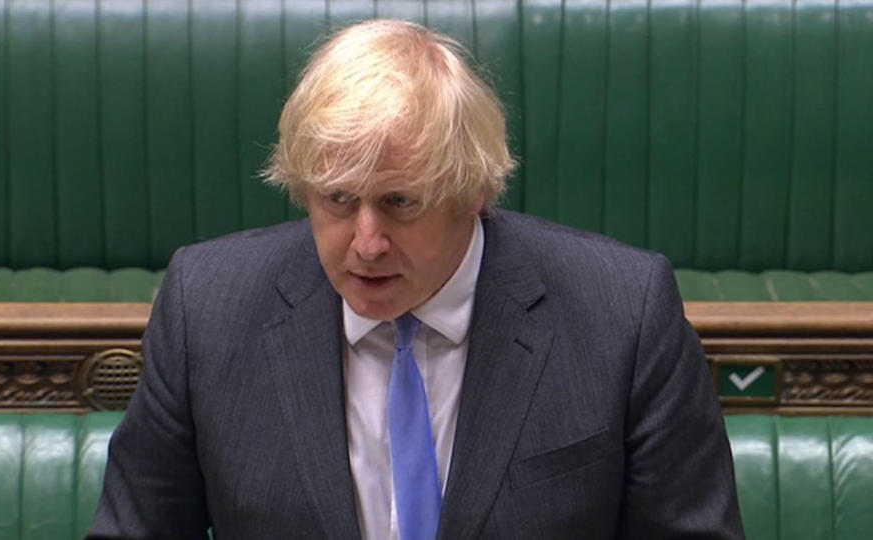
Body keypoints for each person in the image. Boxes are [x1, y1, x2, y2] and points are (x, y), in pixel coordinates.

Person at [89, 19, 743, 539]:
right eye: (338, 201)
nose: (366, 244)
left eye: (400, 203)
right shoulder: (206, 308)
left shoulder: (623, 315)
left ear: (474, 192)